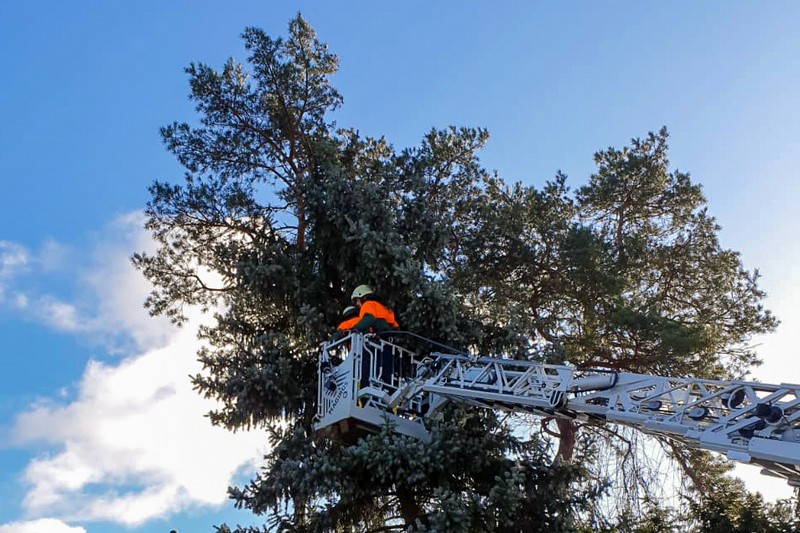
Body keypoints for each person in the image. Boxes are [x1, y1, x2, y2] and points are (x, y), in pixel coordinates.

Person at [350, 284, 399, 387]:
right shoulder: (384, 308)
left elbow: (369, 319)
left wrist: (355, 329)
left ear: (363, 297)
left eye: (357, 301)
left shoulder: (368, 305)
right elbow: (395, 328)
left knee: (368, 373)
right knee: (387, 379)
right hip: (389, 347)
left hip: (376, 346)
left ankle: (366, 395)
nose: (357, 304)